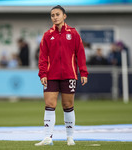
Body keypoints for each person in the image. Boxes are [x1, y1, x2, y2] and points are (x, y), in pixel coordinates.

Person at [35, 5, 88, 146]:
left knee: (68, 105)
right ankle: (47, 138)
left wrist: (83, 72)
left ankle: (70, 138)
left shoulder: (74, 33)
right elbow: (42, 57)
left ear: (64, 16)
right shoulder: (47, 35)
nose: (55, 17)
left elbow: (80, 54)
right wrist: (42, 74)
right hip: (51, 75)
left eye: (57, 14)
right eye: (52, 15)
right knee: (49, 104)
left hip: (69, 75)